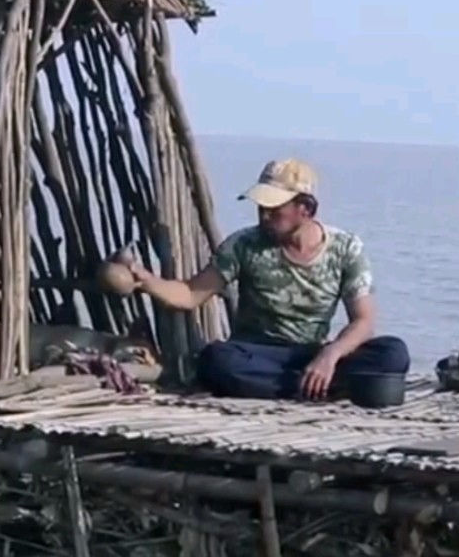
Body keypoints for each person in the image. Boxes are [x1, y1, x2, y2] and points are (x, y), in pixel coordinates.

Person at [121, 158, 410, 401]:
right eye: (261, 208)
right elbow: (190, 293)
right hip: (257, 355)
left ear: (306, 210)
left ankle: (313, 381)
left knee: (393, 353)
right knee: (217, 360)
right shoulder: (244, 245)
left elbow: (363, 321)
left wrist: (329, 357)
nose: (264, 216)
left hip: (312, 351)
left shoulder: (345, 248)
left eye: (274, 210)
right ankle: (316, 389)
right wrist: (145, 280)